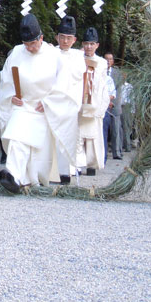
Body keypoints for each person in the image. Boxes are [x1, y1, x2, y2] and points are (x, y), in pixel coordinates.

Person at [0, 13, 78, 194]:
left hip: (44, 107)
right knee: (17, 139)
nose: (30, 48)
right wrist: (11, 96)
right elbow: (6, 80)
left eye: (33, 44)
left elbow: (64, 84)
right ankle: (14, 176)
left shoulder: (54, 55)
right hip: (23, 105)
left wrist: (49, 101)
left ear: (41, 38)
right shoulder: (17, 52)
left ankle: (34, 181)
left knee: (38, 150)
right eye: (27, 45)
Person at [54, 15, 84, 183]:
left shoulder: (78, 57)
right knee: (52, 138)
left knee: (68, 137)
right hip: (53, 101)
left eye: (69, 38)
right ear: (57, 37)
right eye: (62, 37)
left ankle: (66, 171)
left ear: (74, 39)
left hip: (70, 102)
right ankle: (52, 172)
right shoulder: (51, 53)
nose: (65, 41)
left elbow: (77, 78)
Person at [76, 27, 110, 175]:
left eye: (92, 44)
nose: (89, 47)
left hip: (94, 101)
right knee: (77, 136)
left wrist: (102, 106)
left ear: (97, 45)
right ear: (82, 44)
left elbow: (103, 86)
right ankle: (76, 164)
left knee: (92, 136)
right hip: (78, 101)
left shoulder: (102, 63)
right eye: (86, 44)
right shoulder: (76, 58)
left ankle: (91, 165)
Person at [104, 52, 123, 161]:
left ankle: (117, 152)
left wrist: (113, 102)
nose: (108, 61)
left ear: (113, 61)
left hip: (114, 105)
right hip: (102, 104)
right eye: (106, 59)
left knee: (116, 130)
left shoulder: (117, 74)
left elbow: (118, 90)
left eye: (110, 59)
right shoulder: (100, 71)